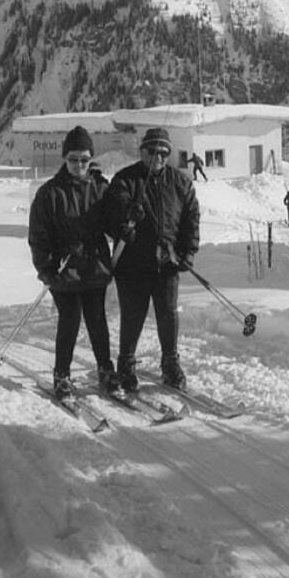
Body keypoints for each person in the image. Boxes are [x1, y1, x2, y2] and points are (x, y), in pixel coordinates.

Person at [97, 126, 201, 394]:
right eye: (152, 151)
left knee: (168, 315)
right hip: (132, 264)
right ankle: (126, 364)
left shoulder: (180, 183)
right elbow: (111, 213)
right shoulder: (125, 179)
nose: (158, 157)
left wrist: (188, 252)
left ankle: (170, 364)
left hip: (167, 263)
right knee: (133, 316)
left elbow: (191, 219)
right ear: (142, 151)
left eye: (163, 152)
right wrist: (126, 215)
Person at [25, 127, 115, 401]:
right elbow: (38, 236)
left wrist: (126, 222)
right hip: (63, 270)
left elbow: (113, 225)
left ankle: (105, 370)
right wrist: (46, 268)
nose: (79, 165)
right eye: (73, 159)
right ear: (64, 159)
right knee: (70, 318)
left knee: (97, 319)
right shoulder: (50, 193)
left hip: (94, 265)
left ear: (91, 160)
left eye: (84, 160)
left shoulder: (101, 188)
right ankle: (62, 375)